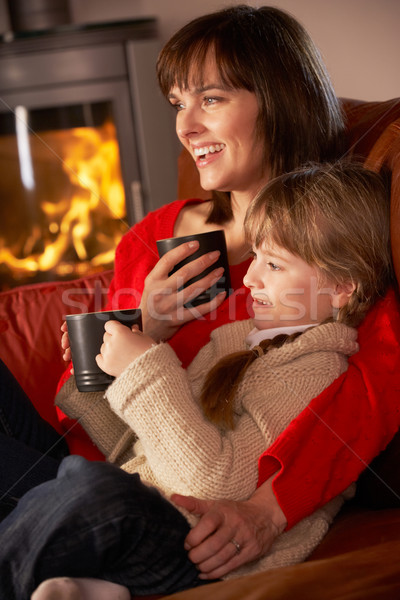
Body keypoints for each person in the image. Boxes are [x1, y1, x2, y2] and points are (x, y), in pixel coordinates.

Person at [1, 2, 399, 580]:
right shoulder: (152, 239)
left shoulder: (330, 255)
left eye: (210, 99)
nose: (186, 127)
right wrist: (148, 329)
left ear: (280, 100)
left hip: (154, 504)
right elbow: (90, 404)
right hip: (105, 468)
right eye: (178, 104)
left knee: (82, 496)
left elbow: (371, 399)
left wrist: (270, 508)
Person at [0, 162, 394, 600]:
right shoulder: (235, 341)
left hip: (189, 549)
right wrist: (94, 375)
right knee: (80, 477)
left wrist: (146, 367)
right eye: (256, 257)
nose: (250, 277)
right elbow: (140, 445)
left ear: (343, 287)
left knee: (94, 487)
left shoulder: (313, 371)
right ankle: (74, 571)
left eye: (275, 266)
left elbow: (212, 484)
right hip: (141, 503)